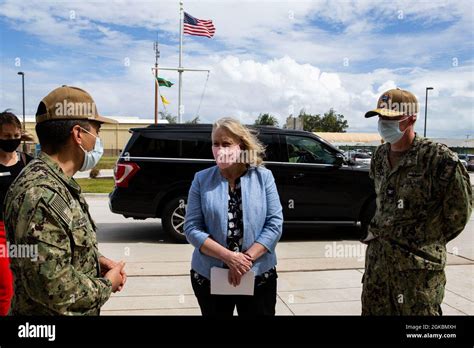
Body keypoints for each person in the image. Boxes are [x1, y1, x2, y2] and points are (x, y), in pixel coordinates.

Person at [4, 85, 127, 315]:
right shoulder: (41, 194)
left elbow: (53, 249)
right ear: (78, 134)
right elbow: (55, 288)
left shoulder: (54, 182)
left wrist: (94, 261)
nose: (97, 140)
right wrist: (107, 284)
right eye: (96, 131)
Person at [361, 87, 472, 315]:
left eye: (391, 118)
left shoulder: (439, 159)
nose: (384, 123)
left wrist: (422, 240)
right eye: (381, 117)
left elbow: (458, 215)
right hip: (378, 269)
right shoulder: (379, 156)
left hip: (417, 274)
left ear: (411, 118)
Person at [184, 117, 283, 316]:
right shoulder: (201, 179)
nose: (220, 149)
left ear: (241, 145)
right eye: (215, 144)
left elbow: (274, 224)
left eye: (226, 144)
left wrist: (244, 260)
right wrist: (229, 258)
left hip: (257, 274)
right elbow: (192, 228)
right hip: (210, 275)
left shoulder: (263, 177)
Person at [0, 110, 34, 316]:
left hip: (25, 231)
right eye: (6, 136)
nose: (12, 140)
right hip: (1, 233)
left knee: (26, 284)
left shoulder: (27, 161)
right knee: (6, 289)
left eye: (16, 136)